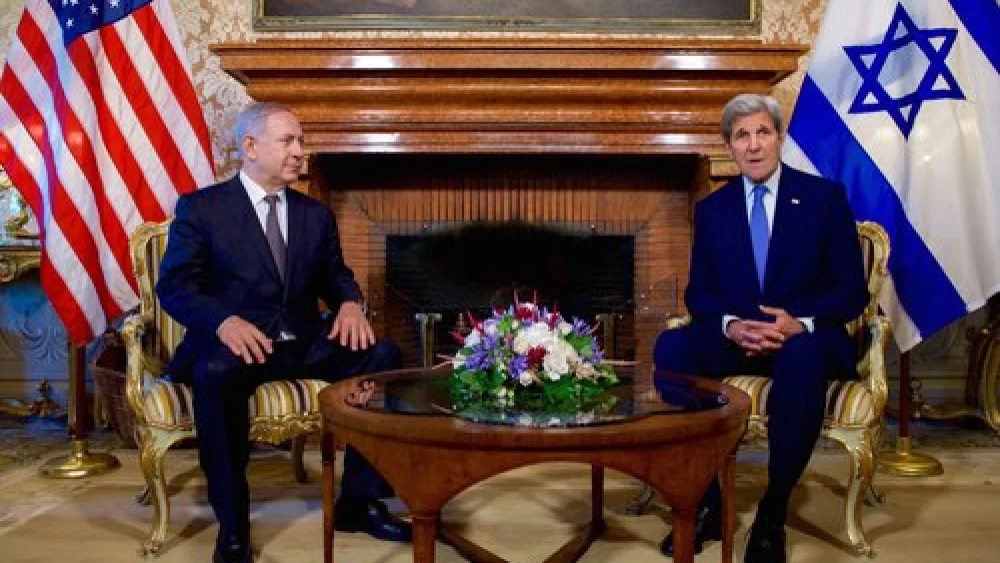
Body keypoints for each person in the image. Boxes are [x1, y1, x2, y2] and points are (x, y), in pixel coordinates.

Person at [156, 102, 412, 563]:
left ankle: (358, 500)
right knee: (215, 373)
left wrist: (351, 304)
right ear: (250, 147)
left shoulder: (314, 215)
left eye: (300, 141)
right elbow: (174, 287)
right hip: (236, 345)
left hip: (303, 341)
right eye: (287, 141)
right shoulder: (202, 209)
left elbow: (336, 275)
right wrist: (222, 321)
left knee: (384, 355)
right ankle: (232, 529)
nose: (300, 152)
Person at [653, 93, 868, 563]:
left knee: (805, 357)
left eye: (762, 133)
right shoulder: (714, 210)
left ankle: (772, 512)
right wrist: (731, 327)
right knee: (671, 350)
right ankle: (708, 503)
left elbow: (852, 292)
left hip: (803, 339)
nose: (753, 145)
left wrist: (800, 323)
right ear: (729, 147)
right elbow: (700, 294)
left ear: (779, 137)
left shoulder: (823, 199)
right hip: (741, 339)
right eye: (741, 136)